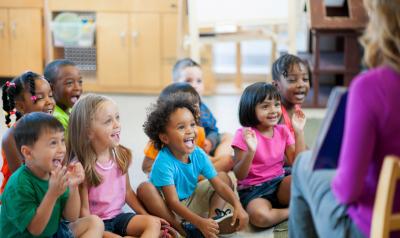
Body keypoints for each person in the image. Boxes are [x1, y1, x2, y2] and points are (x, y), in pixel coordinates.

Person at [289, 0, 400, 237]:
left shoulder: (371, 87)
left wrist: (341, 171)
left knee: (302, 164)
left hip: (373, 227)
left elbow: (348, 191)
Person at [138, 93, 248, 238]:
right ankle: (181, 229)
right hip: (169, 209)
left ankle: (212, 222)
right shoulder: (163, 162)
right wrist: (198, 222)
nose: (190, 130)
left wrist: (238, 205)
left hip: (190, 200)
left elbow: (219, 185)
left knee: (223, 178)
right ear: (165, 137)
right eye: (181, 127)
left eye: (192, 124)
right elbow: (172, 202)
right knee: (144, 188)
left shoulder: (198, 153)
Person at [67, 94, 174, 238]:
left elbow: (128, 193)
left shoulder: (119, 155)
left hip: (119, 217)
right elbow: (84, 212)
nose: (117, 125)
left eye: (117, 117)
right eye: (108, 121)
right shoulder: (80, 167)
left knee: (153, 223)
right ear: (88, 132)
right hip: (98, 225)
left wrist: (146, 216)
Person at [0, 112, 104, 238]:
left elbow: (71, 216)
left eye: (62, 141)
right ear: (28, 152)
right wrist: (52, 193)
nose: (62, 149)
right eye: (53, 143)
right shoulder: (18, 184)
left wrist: (73, 186)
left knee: (94, 222)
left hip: (52, 233)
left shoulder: (55, 174)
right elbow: (35, 229)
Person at [232, 82, 306, 228]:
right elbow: (239, 175)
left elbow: (298, 164)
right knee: (260, 217)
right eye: (265, 106)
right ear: (250, 109)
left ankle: (288, 207)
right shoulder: (243, 134)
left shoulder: (282, 130)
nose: (273, 111)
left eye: (277, 105)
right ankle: (293, 210)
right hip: (254, 191)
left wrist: (299, 132)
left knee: (305, 178)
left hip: (279, 183)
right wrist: (251, 151)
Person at [142, 82, 233, 174]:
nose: (196, 114)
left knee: (226, 162)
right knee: (145, 188)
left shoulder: (198, 132)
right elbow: (147, 167)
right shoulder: (160, 139)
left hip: (194, 175)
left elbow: (202, 158)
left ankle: (196, 179)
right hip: (171, 181)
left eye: (197, 109)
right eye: (188, 110)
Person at [1, 71, 55, 193]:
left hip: (47, 186)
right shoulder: (11, 137)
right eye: (40, 97)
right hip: (21, 196)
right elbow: (21, 180)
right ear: (20, 107)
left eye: (50, 95)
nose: (49, 102)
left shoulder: (52, 128)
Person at [172, 58, 233, 161]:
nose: (195, 85)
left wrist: (210, 141)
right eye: (188, 81)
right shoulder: (174, 109)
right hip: (186, 148)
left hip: (204, 146)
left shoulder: (203, 107)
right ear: (175, 84)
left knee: (228, 136)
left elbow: (213, 129)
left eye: (199, 81)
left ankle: (218, 160)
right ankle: (214, 164)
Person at [271, 54, 310, 138]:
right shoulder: (277, 115)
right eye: (292, 80)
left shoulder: (296, 105)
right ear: (276, 86)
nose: (301, 84)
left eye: (305, 79)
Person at [44, 59, 83, 131]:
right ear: (51, 88)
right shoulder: (55, 119)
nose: (77, 88)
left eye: (80, 82)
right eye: (69, 83)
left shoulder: (70, 110)